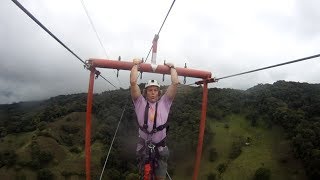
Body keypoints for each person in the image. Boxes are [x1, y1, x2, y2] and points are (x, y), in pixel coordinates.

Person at [130, 58, 179, 180]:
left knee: (160, 177)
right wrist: (135, 64)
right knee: (145, 176)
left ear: (159, 92)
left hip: (160, 148)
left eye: (155, 90)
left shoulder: (165, 102)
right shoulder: (139, 102)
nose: (153, 93)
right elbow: (133, 83)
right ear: (145, 93)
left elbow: (175, 83)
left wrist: (172, 67)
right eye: (150, 90)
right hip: (144, 148)